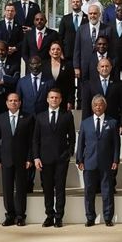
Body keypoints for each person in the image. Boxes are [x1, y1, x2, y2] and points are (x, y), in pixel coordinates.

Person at [77, 95, 121, 227]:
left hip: (106, 163)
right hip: (89, 162)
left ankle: (108, 217)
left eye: (101, 104)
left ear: (105, 106)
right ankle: (90, 217)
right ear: (92, 107)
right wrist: (79, 160)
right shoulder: (85, 123)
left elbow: (116, 144)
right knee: (89, 192)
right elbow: (81, 143)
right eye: (96, 105)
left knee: (107, 191)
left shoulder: (112, 122)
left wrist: (115, 160)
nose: (98, 107)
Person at [33, 88, 75, 227]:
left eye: (57, 98)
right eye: (51, 97)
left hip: (62, 159)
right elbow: (35, 140)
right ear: (47, 99)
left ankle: (59, 217)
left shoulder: (67, 115)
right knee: (48, 188)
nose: (54, 100)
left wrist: (69, 153)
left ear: (61, 100)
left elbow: (72, 137)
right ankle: (49, 215)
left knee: (60, 188)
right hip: (45, 159)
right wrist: (36, 157)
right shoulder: (40, 117)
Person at [0, 92, 35, 226]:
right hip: (6, 159)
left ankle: (20, 216)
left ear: (20, 103)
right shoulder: (0, 118)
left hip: (22, 160)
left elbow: (31, 141)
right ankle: (9, 215)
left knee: (21, 189)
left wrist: (29, 158)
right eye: (11, 100)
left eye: (16, 100)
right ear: (6, 103)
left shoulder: (28, 118)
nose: (13, 103)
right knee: (7, 188)